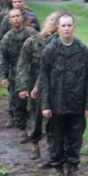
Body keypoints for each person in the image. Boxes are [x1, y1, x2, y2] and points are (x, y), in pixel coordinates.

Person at [38, 13, 88, 176]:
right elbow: (44, 79)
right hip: (56, 104)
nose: (67, 29)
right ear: (58, 28)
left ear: (74, 27)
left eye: (70, 25)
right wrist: (45, 105)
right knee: (55, 137)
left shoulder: (82, 50)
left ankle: (72, 170)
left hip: (76, 104)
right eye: (63, 26)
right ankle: (58, 169)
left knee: (75, 137)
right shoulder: (50, 50)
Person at [17, 11, 59, 160]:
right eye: (50, 25)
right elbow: (22, 65)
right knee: (36, 116)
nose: (51, 29)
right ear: (45, 23)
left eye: (55, 28)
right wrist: (22, 86)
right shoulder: (31, 42)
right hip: (34, 81)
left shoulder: (57, 43)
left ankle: (51, 149)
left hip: (53, 83)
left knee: (52, 117)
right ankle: (35, 145)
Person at [0, 8, 35, 139]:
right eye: (13, 17)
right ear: (9, 20)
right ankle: (22, 129)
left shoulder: (31, 34)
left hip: (32, 73)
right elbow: (3, 58)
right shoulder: (7, 38)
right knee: (18, 102)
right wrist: (4, 76)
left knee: (34, 101)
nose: (15, 19)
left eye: (18, 16)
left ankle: (35, 127)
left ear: (22, 18)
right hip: (15, 75)